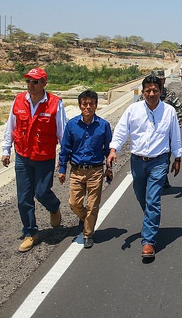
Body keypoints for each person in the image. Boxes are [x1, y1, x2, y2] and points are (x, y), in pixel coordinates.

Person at [107, 74, 182, 259]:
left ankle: (148, 241)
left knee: (153, 199)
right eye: (148, 90)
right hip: (138, 161)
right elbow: (121, 130)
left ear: (161, 91)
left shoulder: (169, 111)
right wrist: (113, 149)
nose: (151, 93)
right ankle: (151, 218)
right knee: (141, 195)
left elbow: (175, 134)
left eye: (155, 90)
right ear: (143, 92)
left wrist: (178, 157)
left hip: (159, 160)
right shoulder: (133, 110)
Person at [1, 67, 67, 253]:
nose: (31, 85)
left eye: (35, 82)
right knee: (23, 198)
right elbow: (10, 126)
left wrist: (64, 160)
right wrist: (6, 150)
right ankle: (31, 233)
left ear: (44, 84)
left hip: (44, 157)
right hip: (22, 155)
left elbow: (62, 132)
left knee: (41, 192)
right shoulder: (19, 100)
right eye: (29, 81)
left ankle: (54, 207)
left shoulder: (55, 103)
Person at [57, 90, 112, 249]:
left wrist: (109, 169)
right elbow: (65, 148)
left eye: (91, 104)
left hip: (95, 171)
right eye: (84, 104)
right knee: (74, 203)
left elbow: (108, 150)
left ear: (96, 105)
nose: (88, 107)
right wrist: (62, 169)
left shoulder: (103, 125)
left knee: (93, 204)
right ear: (80, 105)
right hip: (76, 170)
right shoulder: (72, 125)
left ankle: (88, 234)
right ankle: (84, 217)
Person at [139, 70, 182, 189]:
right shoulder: (146, 94)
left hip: (165, 134)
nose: (161, 81)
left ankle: (161, 178)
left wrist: (176, 128)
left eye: (162, 79)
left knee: (164, 157)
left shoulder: (170, 94)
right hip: (148, 134)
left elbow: (178, 108)